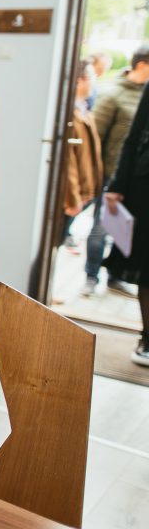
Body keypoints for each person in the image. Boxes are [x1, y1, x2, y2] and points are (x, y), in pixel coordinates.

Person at [83, 45, 149, 297]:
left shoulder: (142, 91)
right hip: (114, 174)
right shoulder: (113, 94)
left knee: (123, 232)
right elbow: (96, 137)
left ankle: (114, 277)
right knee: (102, 227)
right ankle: (91, 275)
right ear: (142, 64)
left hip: (132, 180)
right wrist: (102, 178)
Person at [104, 86, 149, 364]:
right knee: (147, 267)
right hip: (145, 187)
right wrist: (117, 185)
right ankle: (148, 337)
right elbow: (132, 139)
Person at [60, 59, 102, 248]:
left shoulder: (83, 107)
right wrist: (73, 197)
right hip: (69, 196)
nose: (93, 83)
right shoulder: (67, 112)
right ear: (80, 80)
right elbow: (68, 160)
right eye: (91, 78)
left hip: (81, 190)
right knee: (58, 236)